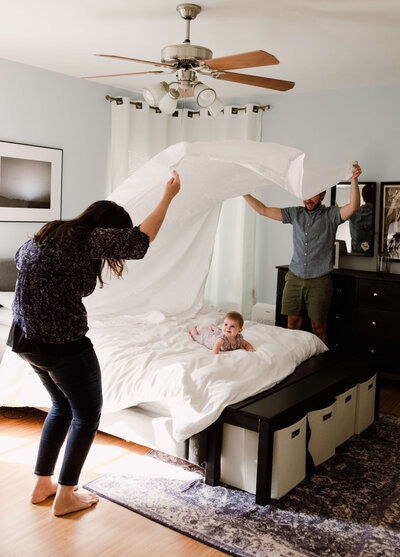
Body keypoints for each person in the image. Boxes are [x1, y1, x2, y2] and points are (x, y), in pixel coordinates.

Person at [6, 170, 181, 517]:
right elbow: (141, 240)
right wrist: (168, 196)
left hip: (25, 339)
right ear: (105, 230)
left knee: (60, 407)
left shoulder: (49, 233)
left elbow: (21, 264)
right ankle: (66, 495)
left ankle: (43, 483)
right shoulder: (86, 240)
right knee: (87, 415)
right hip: (61, 344)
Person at [243, 162, 362, 345]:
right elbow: (263, 210)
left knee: (318, 326)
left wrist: (354, 180)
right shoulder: (294, 214)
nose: (308, 199)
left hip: (320, 280)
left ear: (323, 195)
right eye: (305, 195)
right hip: (294, 277)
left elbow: (353, 206)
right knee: (292, 324)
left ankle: (321, 364)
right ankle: (294, 360)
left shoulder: (331, 215)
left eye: (313, 195)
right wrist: (243, 192)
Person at [189, 311, 255, 354]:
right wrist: (216, 356)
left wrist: (250, 349)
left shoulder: (239, 339)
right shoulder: (221, 340)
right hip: (210, 338)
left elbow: (246, 344)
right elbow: (215, 349)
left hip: (220, 332)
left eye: (232, 326)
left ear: (239, 330)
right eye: (226, 324)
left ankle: (214, 327)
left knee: (220, 331)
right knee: (197, 338)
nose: (228, 327)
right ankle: (193, 330)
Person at [349, 183, 374, 255]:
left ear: (362, 196)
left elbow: (338, 212)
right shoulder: (379, 213)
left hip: (355, 255)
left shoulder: (352, 212)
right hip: (372, 256)